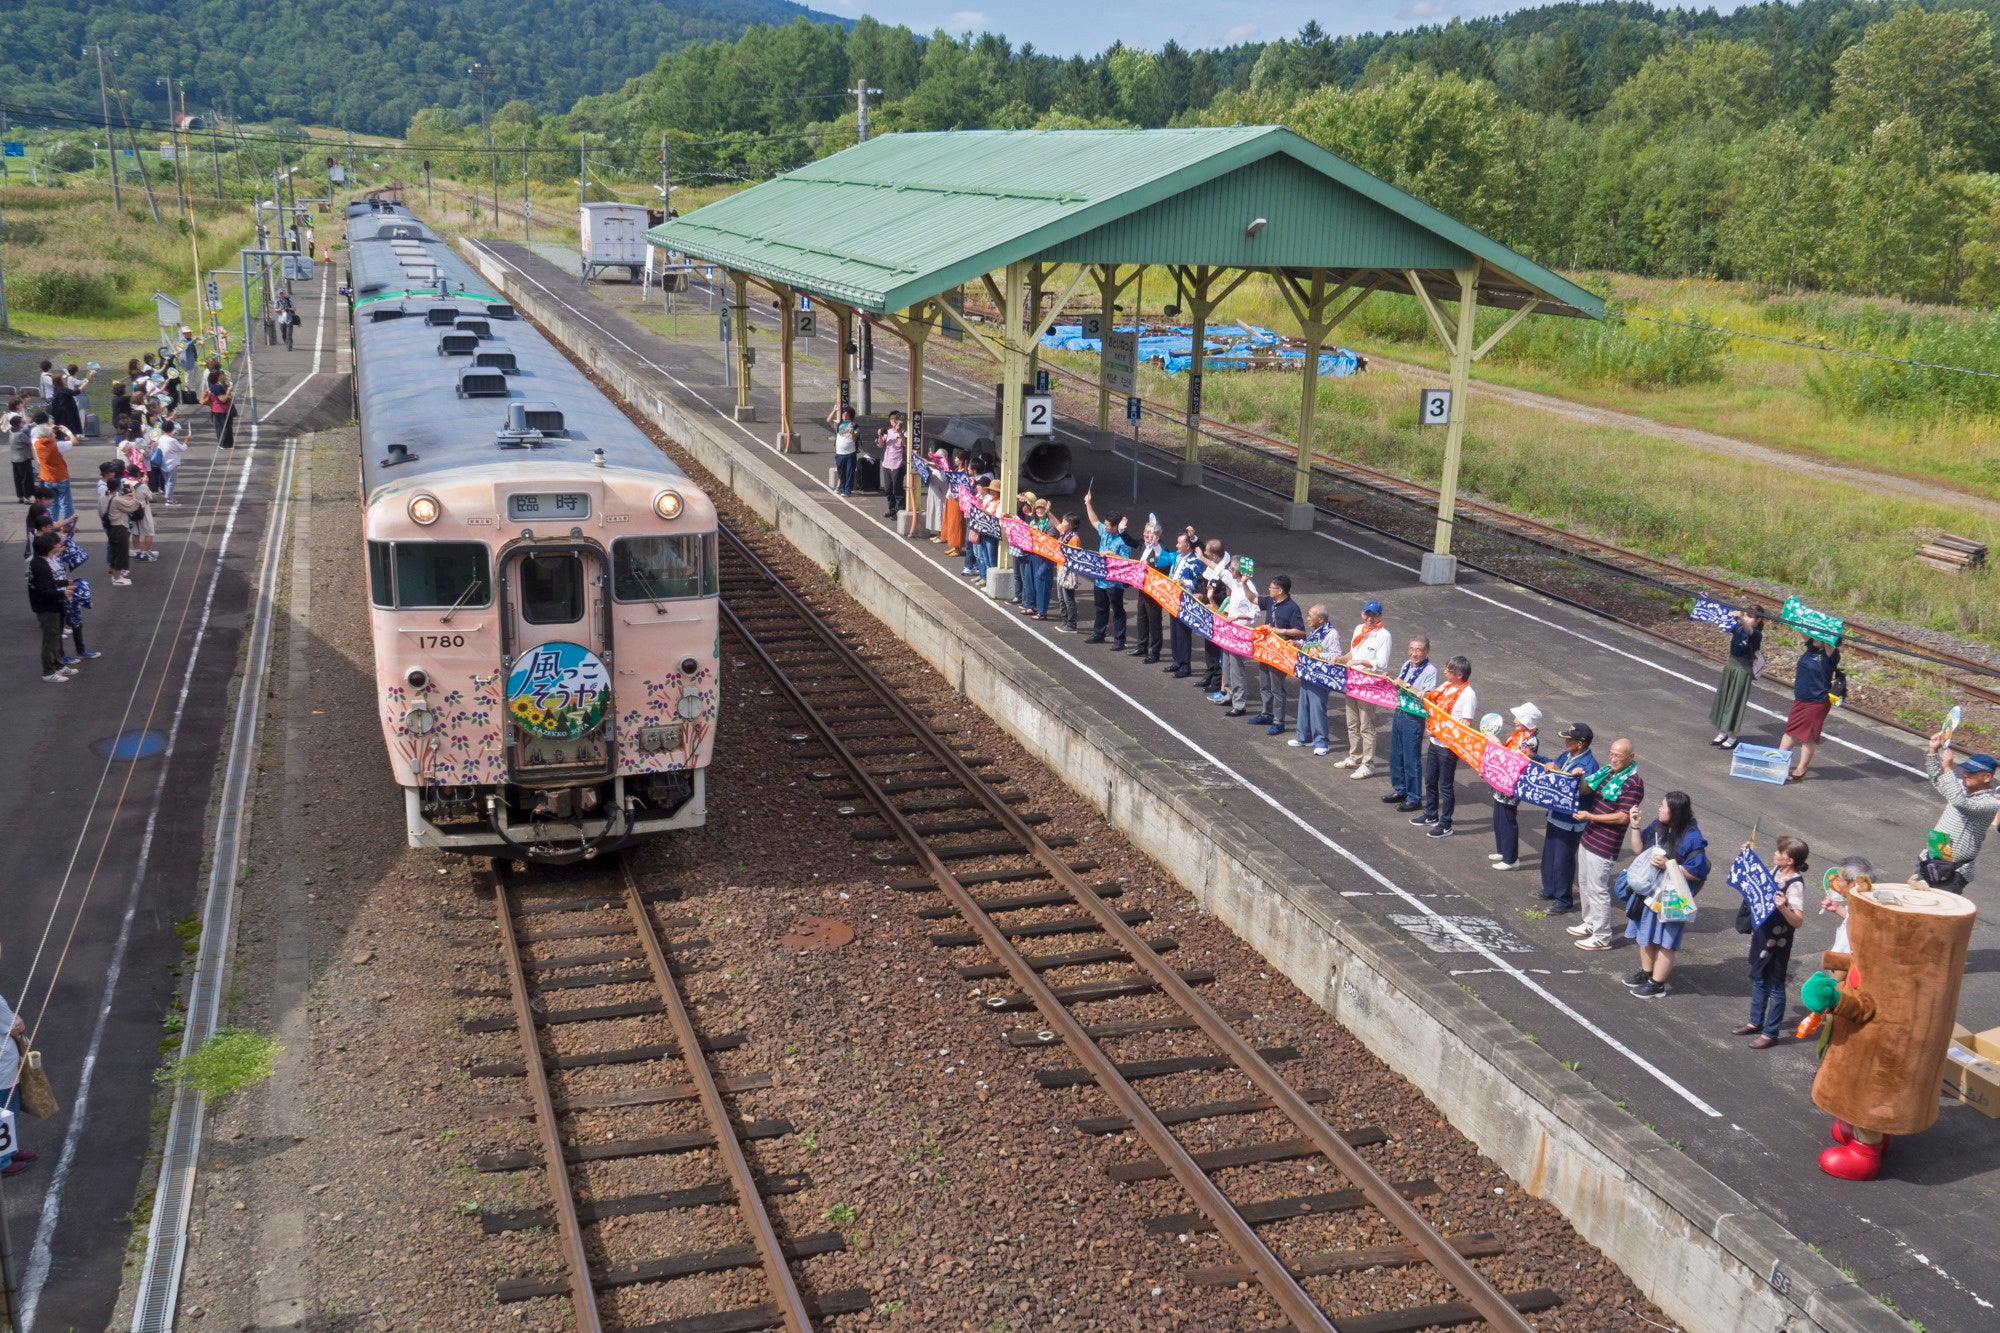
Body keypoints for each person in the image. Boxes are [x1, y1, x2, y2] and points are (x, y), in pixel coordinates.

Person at [1620, 790, 1709, 998]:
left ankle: (1657, 984)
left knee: (1666, 941)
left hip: (1672, 897)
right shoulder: (1658, 827)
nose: (1659, 808)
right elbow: (1638, 848)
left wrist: (1669, 864)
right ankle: (1646, 972)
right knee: (1645, 935)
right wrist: (1635, 825)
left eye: (1663, 806)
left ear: (1676, 812)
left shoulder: (1692, 839)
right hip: (1649, 893)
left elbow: (1699, 872)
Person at [1567, 738, 1645, 950]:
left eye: (1618, 756)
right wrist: (1578, 777)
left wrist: (1590, 817)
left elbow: (1622, 817)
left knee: (1598, 888)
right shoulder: (1607, 772)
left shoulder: (1633, 783)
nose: (1613, 759)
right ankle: (1590, 922)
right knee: (1584, 882)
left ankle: (1602, 936)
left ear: (1631, 758)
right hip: (1589, 836)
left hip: (1605, 843)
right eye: (1611, 754)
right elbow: (1585, 789)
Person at [1737, 836, 1809, 1047]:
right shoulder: (1776, 871)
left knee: (1776, 986)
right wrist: (1748, 856)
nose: (1775, 854)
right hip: (1762, 938)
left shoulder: (1795, 885)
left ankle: (1771, 1032)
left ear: (1790, 861)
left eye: (1780, 853)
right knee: (1759, 980)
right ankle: (1755, 1022)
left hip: (1778, 944)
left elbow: (1798, 921)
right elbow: (1759, 883)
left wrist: (1783, 908)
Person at [1921, 732, 1996, 891]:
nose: (1965, 774)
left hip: (1953, 870)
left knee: (1941, 913)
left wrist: (1948, 767)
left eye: (1972, 773)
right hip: (1933, 854)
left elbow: (1960, 802)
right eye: (1966, 770)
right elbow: (1936, 779)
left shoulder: (1989, 804)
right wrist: (1934, 751)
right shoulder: (1960, 788)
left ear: (1987, 777)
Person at [1537, 724, 1599, 914]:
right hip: (1556, 813)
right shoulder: (1567, 756)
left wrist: (1564, 774)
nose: (1565, 742)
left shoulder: (1589, 765)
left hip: (1571, 820)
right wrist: (1535, 757)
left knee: (1562, 860)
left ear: (1580, 744)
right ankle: (1549, 888)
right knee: (1549, 855)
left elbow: (1585, 789)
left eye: (1569, 739)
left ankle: (1564, 899)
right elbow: (1552, 763)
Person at [1412, 655, 1476, 838]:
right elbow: (1432, 697)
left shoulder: (1468, 695)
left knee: (1445, 786)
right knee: (1430, 780)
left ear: (1459, 674)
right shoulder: (1446, 686)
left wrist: (1443, 731)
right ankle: (1431, 814)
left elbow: (1466, 724)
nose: (1445, 671)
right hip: (1434, 741)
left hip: (1448, 747)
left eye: (1449, 670)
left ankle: (1446, 823)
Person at [1333, 600, 1392, 779]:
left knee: (1366, 725)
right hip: (1353, 682)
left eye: (1374, 615)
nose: (1370, 618)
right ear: (1362, 614)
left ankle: (1368, 763)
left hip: (1368, 685)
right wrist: (1340, 658)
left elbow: (1382, 664)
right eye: (1367, 614)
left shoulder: (1384, 635)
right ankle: (1354, 756)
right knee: (1352, 723)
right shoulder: (1359, 630)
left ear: (1380, 617)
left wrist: (1359, 662)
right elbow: (1353, 653)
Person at [1487, 703, 1542, 870]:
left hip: (1512, 783)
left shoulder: (1530, 740)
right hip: (1503, 780)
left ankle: (1511, 859)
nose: (1514, 720)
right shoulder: (1519, 734)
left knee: (1507, 819)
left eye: (1518, 718)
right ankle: (1503, 850)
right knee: (1498, 817)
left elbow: (1514, 758)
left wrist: (1496, 744)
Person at [1387, 637, 1439, 811]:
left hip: (1413, 716)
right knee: (1396, 754)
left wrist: (1405, 684)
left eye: (1418, 650)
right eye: (1411, 649)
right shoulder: (1407, 664)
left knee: (1411, 758)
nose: (1413, 653)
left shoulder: (1430, 670)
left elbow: (1427, 695)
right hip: (1400, 711)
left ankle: (1414, 797)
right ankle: (1400, 789)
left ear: (1426, 652)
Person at [1249, 575, 1306, 735]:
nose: (1269, 589)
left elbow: (1301, 631)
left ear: (1280, 590)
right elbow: (1252, 598)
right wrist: (1245, 582)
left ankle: (1278, 721)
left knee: (1277, 687)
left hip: (1280, 653)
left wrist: (1281, 631)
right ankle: (1266, 713)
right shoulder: (1270, 602)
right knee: (1264, 683)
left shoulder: (1292, 608)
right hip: (1266, 650)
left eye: (1271, 587)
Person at [1778, 636, 1838, 783]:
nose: (1814, 637)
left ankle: (1801, 769)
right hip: (1801, 699)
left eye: (1818, 636)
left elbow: (1830, 643)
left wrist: (1825, 631)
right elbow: (1802, 630)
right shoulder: (1811, 648)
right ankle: (1777, 762)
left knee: (1809, 736)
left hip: (1816, 702)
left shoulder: (1831, 653)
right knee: (1790, 730)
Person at [1082, 489, 1131, 649]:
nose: (1106, 527)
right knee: (1100, 607)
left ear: (1116, 525)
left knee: (1117, 610)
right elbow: (1094, 521)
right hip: (1099, 578)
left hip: (1114, 582)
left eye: (1109, 525)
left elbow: (1125, 560)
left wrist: (1111, 554)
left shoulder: (1123, 541)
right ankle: (1098, 633)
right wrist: (1088, 503)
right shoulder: (1105, 531)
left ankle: (1119, 639)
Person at [1709, 609, 1764, 749]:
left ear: (1758, 620)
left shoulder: (1756, 634)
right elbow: (1729, 625)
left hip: (1742, 669)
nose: (1746, 618)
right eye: (1746, 615)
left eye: (1750, 617)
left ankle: (1733, 736)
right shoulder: (1738, 627)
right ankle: (1722, 732)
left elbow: (1749, 630)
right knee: (1725, 698)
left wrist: (1741, 618)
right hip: (1731, 665)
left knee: (1736, 702)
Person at [29, 528, 74, 683]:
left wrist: (64, 583)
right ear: (48, 548)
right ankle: (48, 671)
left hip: (52, 605)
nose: (58, 545)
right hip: (46, 607)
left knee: (55, 637)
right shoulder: (40, 566)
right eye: (55, 544)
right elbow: (44, 590)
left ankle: (58, 665)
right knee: (50, 640)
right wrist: (63, 593)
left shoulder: (40, 562)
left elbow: (49, 583)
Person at [1290, 604, 1334, 755]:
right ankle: (1303, 737)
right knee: (1304, 705)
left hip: (1320, 677)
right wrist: (1299, 643)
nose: (1307, 618)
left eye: (1310, 616)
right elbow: (1310, 645)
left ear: (1321, 619)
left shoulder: (1331, 634)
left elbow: (1336, 655)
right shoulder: (1316, 631)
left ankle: (1322, 742)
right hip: (1308, 672)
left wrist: (1320, 655)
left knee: (1317, 709)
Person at [1160, 532, 1201, 677]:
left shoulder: (1195, 561)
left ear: (1187, 545)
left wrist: (1184, 582)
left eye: (1179, 543)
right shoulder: (1178, 557)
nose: (1176, 545)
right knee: (1174, 632)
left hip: (1185, 601)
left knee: (1183, 633)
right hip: (1173, 598)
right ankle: (1176, 661)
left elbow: (1198, 582)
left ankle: (1184, 666)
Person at [1129, 519, 1165, 662]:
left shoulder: (1161, 548)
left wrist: (1149, 562)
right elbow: (1130, 541)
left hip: (1154, 591)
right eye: (1145, 532)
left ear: (1157, 535)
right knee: (1142, 618)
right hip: (1142, 589)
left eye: (1150, 532)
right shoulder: (1144, 546)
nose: (1146, 535)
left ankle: (1155, 652)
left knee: (1154, 622)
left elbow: (1161, 562)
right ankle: (1142, 647)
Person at [31, 416, 75, 521]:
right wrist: (66, 431)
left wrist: (48, 429)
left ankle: (52, 522)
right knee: (65, 502)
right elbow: (74, 441)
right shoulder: (57, 445)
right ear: (50, 435)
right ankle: (66, 524)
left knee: (51, 502)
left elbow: (38, 436)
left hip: (46, 477)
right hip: (61, 476)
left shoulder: (36, 444)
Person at [1052, 513, 1082, 632]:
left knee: (1068, 598)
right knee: (1061, 598)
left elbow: (1075, 556)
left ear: (1072, 525)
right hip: (1061, 569)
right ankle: (1064, 620)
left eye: (1065, 522)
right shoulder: (1065, 534)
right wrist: (1049, 512)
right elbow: (1057, 524)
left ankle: (1071, 624)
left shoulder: (1074, 538)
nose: (1062, 524)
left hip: (1068, 571)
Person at [877, 412, 907, 522]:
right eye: (891, 419)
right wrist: (880, 435)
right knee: (888, 489)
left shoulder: (904, 432)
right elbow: (880, 445)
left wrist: (900, 433)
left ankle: (899, 510)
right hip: (886, 464)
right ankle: (892, 509)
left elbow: (906, 443)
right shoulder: (887, 432)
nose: (893, 422)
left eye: (895, 419)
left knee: (897, 489)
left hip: (898, 464)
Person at [937, 450, 966, 558]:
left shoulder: (963, 472)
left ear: (961, 460)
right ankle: (954, 545)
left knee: (956, 522)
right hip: (951, 497)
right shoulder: (956, 470)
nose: (955, 460)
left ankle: (957, 547)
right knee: (950, 521)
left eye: (957, 458)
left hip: (958, 499)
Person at [154, 420, 187, 505]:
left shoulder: (161, 438)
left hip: (163, 463)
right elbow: (182, 448)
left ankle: (169, 498)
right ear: (172, 429)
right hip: (172, 463)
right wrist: (186, 440)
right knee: (171, 482)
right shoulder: (172, 441)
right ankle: (169, 500)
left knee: (167, 481)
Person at [828, 405, 858, 495]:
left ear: (850, 416)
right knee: (841, 472)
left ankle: (847, 490)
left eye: (846, 415)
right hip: (839, 453)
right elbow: (828, 420)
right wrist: (834, 410)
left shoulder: (854, 425)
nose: (844, 416)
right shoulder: (839, 423)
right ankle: (841, 487)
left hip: (850, 453)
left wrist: (852, 430)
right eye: (843, 414)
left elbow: (854, 439)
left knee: (849, 472)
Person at [6, 406, 32, 504]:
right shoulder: (20, 434)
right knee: (26, 479)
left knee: (17, 478)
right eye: (21, 422)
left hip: (14, 458)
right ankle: (27, 497)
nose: (23, 423)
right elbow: (30, 442)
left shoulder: (11, 433)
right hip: (24, 458)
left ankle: (20, 496)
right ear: (18, 424)